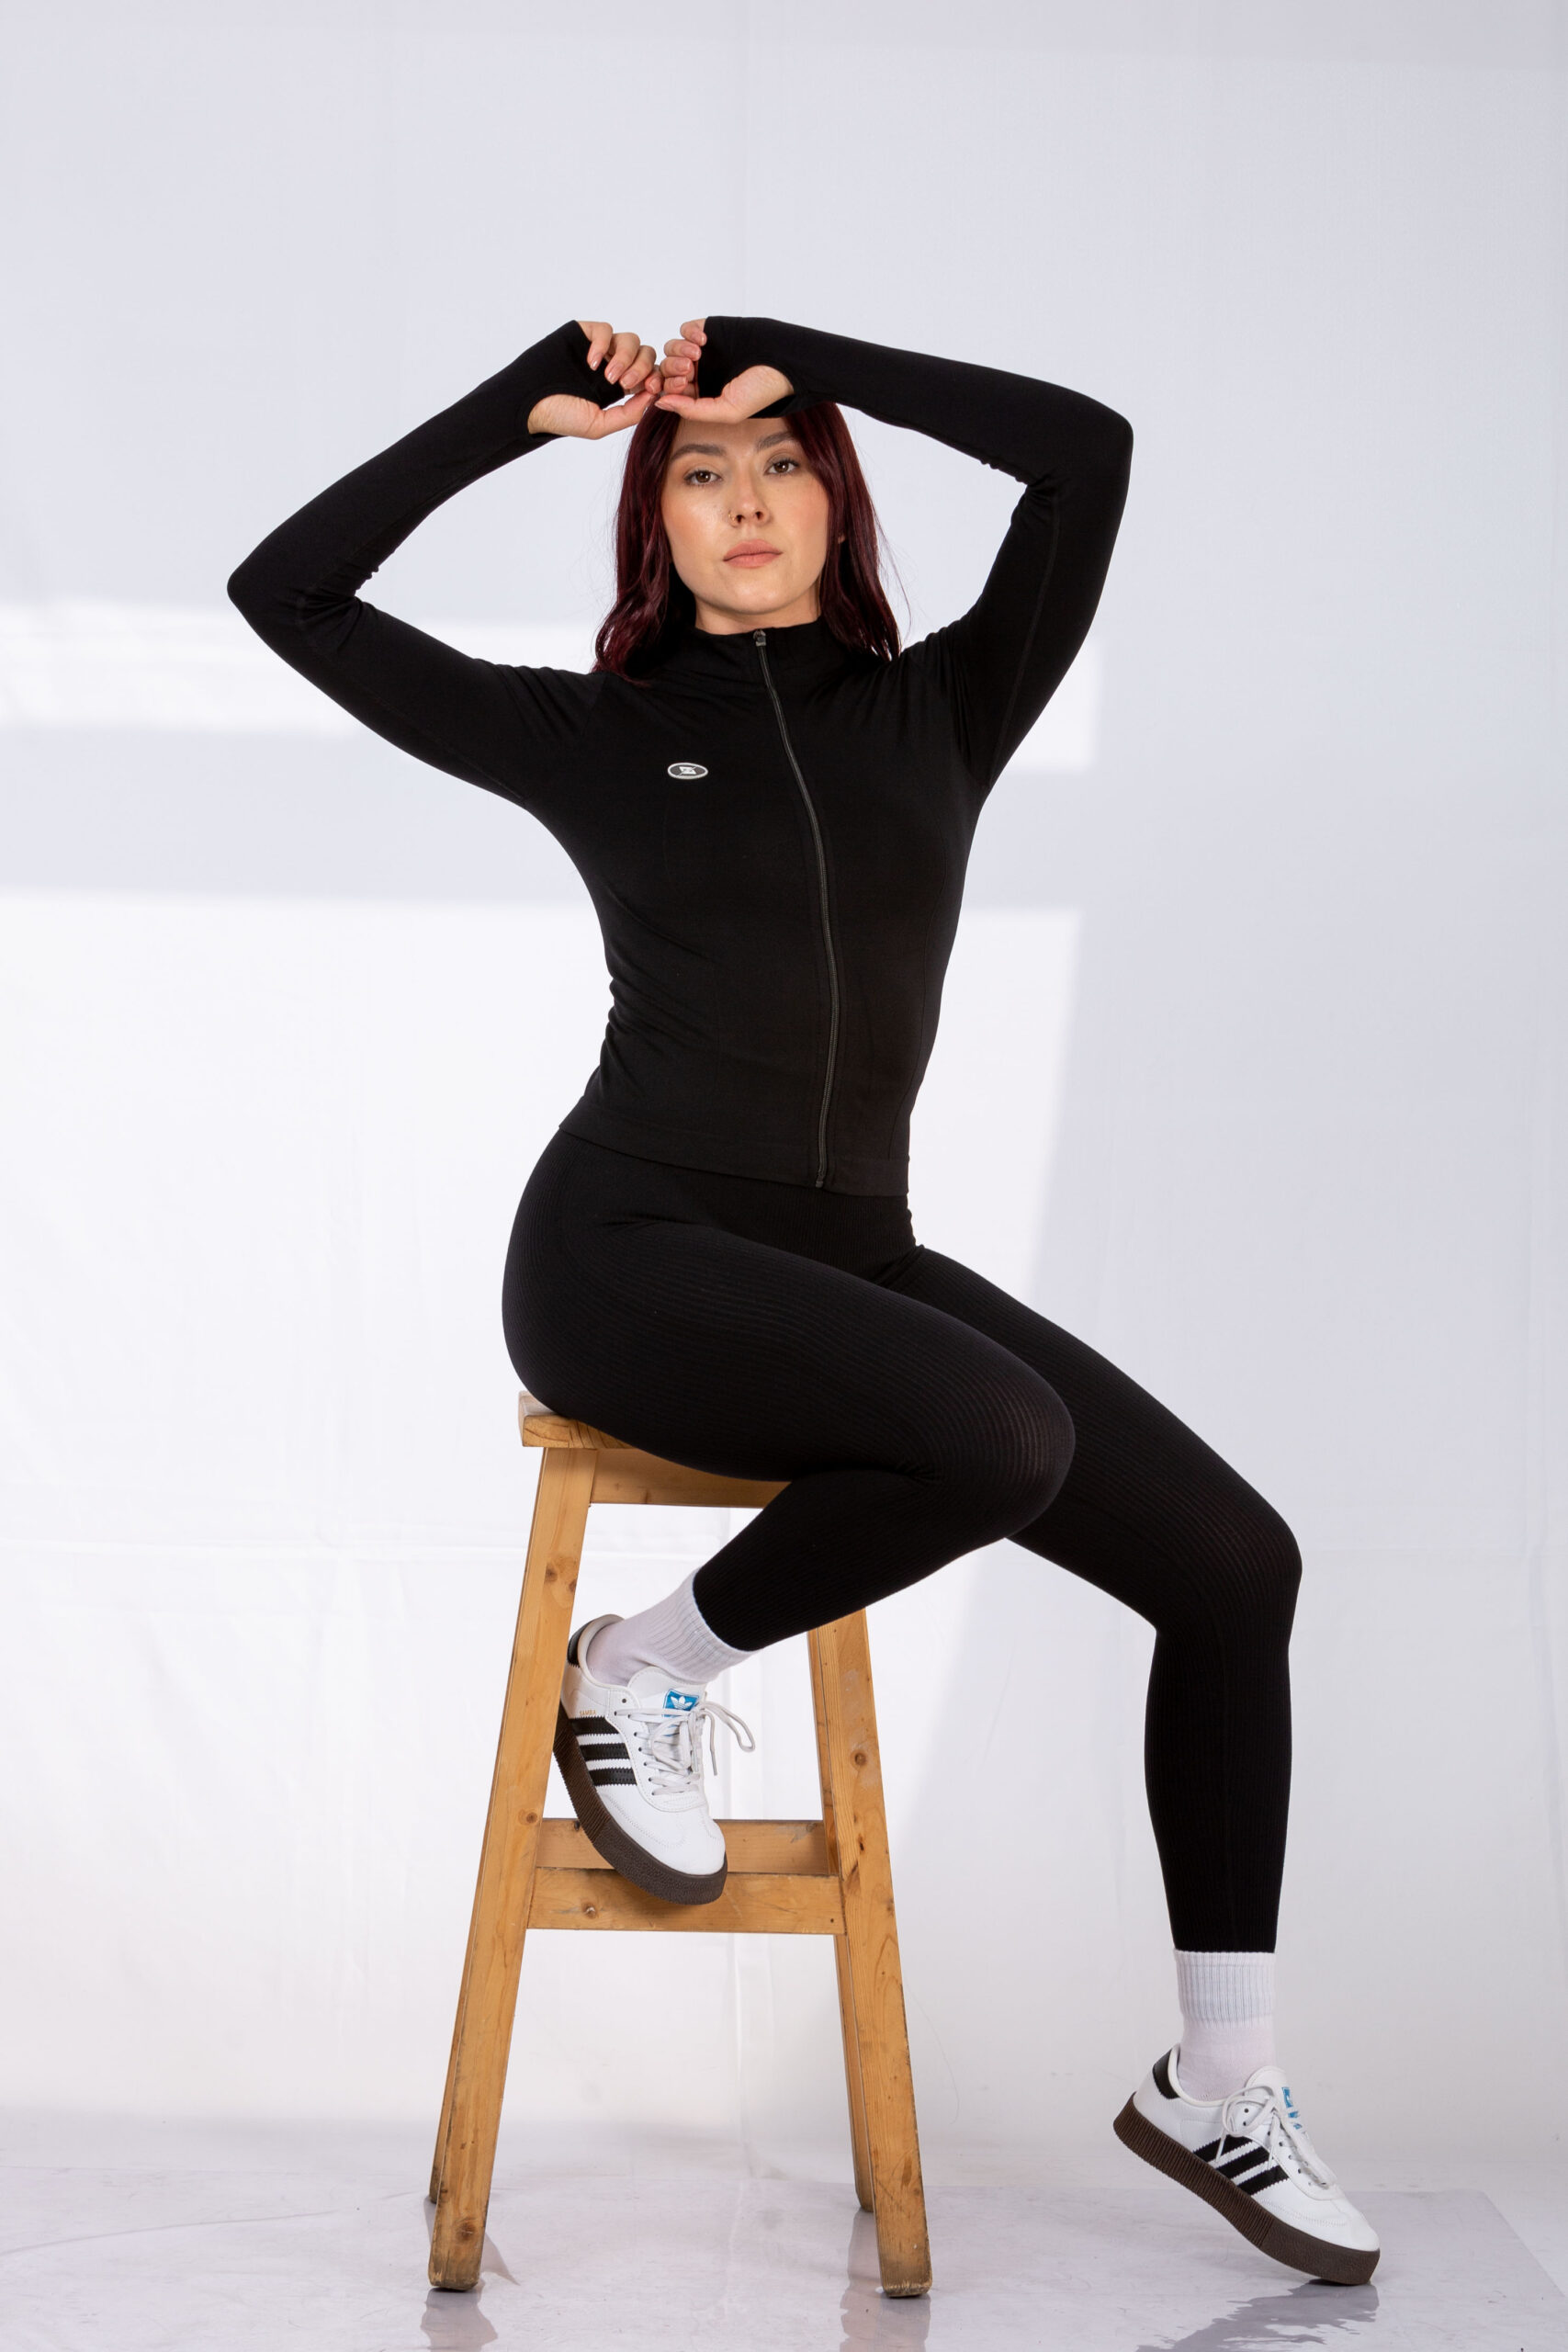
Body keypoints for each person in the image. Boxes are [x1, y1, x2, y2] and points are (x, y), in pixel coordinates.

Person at [228, 311, 1378, 2289]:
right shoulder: (586, 730)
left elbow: (1085, 449)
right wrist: (514, 410)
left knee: (1233, 1562)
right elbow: (288, 591)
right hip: (627, 1251)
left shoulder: (945, 706)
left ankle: (1219, 2070)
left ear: (836, 503)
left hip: (852, 1250)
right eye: (700, 472)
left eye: (779, 463)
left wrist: (789, 352)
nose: (744, 501)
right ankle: (638, 1670)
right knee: (1000, 1437)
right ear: (653, 524)